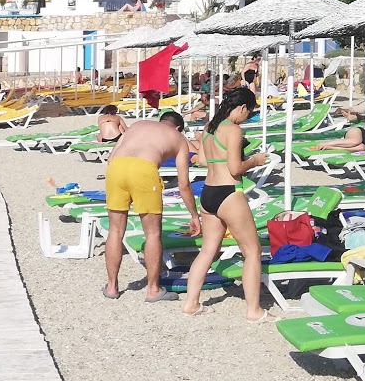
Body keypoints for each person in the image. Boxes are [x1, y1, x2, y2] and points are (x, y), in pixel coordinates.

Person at [181, 89, 273, 323]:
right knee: (252, 251)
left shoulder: (210, 127)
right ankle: (254, 310)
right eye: (249, 113)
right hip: (229, 192)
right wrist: (255, 160)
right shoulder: (234, 130)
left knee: (207, 250)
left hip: (209, 192)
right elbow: (235, 168)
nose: (247, 118)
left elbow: (201, 160)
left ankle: (191, 303)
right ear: (242, 108)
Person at [102, 111, 200, 303]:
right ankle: (153, 289)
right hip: (144, 170)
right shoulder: (178, 139)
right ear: (178, 127)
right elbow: (184, 185)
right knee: (153, 233)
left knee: (115, 230)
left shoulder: (138, 125)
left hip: (116, 168)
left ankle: (112, 287)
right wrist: (194, 215)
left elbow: (111, 157)